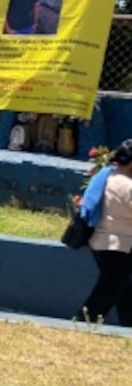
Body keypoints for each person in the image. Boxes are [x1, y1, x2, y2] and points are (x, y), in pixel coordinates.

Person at [78, 139, 132, 326]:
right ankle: (82, 323)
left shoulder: (107, 176)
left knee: (123, 290)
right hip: (120, 246)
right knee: (108, 292)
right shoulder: (128, 186)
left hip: (101, 242)